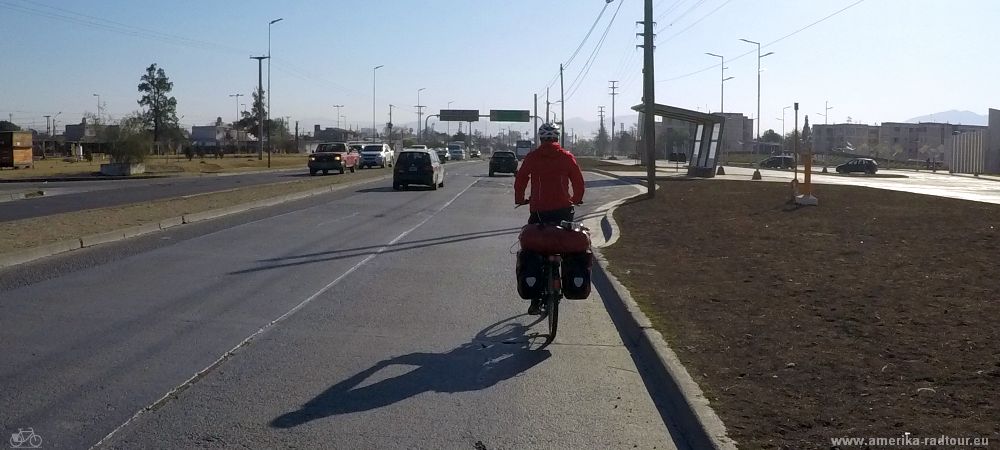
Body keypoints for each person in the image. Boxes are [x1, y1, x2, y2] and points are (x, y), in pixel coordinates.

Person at [514, 123, 585, 315]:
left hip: (539, 212)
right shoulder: (566, 157)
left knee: (533, 247)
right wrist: (576, 199)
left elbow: (521, 179)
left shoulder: (533, 157)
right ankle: (564, 277)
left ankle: (536, 299)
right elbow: (578, 180)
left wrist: (520, 199)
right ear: (557, 139)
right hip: (563, 210)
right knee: (566, 244)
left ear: (540, 139)